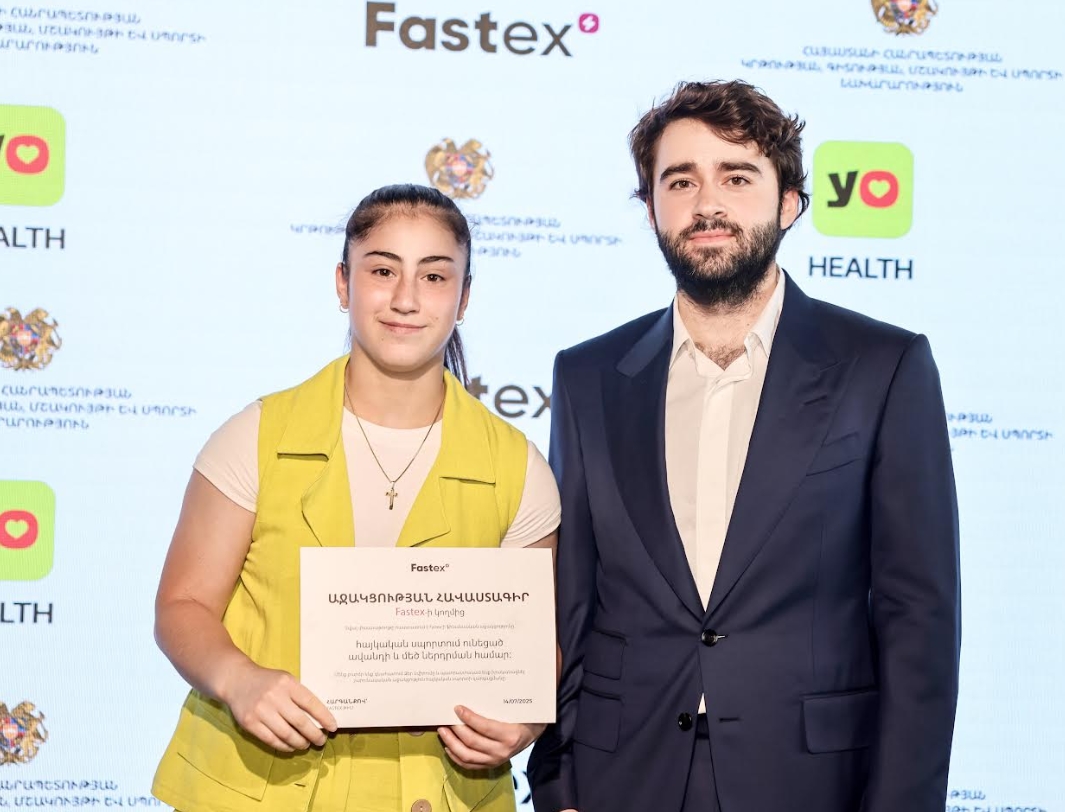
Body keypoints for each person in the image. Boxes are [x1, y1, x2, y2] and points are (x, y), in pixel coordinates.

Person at [527, 81, 960, 812]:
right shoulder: (588, 375)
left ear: (788, 202)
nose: (707, 204)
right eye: (680, 181)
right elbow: (570, 601)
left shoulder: (883, 368)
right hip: (619, 777)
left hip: (811, 781)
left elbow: (918, 618)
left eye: (736, 177)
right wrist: (557, 783)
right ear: (650, 207)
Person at [151, 183, 559, 812]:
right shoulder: (256, 437)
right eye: (382, 270)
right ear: (343, 283)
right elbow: (182, 605)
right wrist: (239, 680)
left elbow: (535, 644)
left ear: (463, 297)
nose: (405, 298)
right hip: (255, 790)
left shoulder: (518, 467)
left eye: (433, 276)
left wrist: (525, 718)